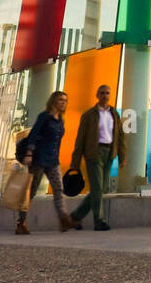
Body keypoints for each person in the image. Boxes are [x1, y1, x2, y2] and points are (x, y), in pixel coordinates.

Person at [16, 91, 78, 235]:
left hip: (53, 161)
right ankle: (21, 223)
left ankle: (63, 219)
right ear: (53, 101)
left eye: (65, 100)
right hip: (38, 159)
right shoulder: (44, 117)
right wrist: (29, 153)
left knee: (58, 189)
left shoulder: (60, 120)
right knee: (31, 192)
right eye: (61, 100)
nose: (63, 103)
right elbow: (33, 135)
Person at [68, 84, 126, 231]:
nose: (105, 95)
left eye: (107, 93)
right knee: (98, 187)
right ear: (97, 95)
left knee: (102, 188)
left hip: (109, 153)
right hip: (94, 153)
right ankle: (99, 221)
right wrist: (75, 162)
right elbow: (80, 139)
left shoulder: (114, 114)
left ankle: (75, 216)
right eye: (102, 93)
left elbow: (120, 136)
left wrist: (122, 156)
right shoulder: (89, 115)